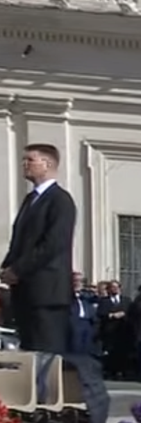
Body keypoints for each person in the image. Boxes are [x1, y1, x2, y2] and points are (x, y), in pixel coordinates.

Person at [3, 144, 77, 354]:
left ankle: (46, 388)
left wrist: (18, 270)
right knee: (28, 351)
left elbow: (52, 244)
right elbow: (20, 242)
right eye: (23, 160)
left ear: (47, 164)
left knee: (46, 354)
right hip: (26, 292)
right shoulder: (30, 200)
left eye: (30, 160)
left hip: (48, 294)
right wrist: (7, 268)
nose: (24, 165)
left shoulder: (60, 200)